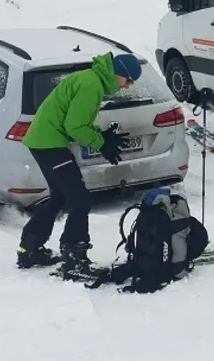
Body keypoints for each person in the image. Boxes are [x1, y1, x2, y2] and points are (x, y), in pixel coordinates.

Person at [16, 52, 141, 281]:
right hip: (49, 143)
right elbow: (74, 126)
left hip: (43, 140)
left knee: (60, 197)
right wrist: (101, 142)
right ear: (118, 73)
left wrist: (100, 137)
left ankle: (30, 248)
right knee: (79, 198)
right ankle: (74, 258)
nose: (127, 86)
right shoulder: (91, 85)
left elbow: (75, 122)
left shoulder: (90, 78)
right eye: (129, 80)